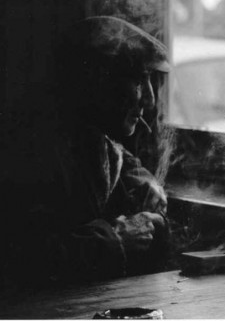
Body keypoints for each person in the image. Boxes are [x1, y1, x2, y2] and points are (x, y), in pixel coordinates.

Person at [3, 16, 171, 285]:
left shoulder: (95, 144)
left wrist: (147, 190)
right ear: (97, 83)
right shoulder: (31, 154)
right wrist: (115, 239)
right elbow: (20, 257)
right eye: (139, 81)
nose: (149, 100)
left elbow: (121, 161)